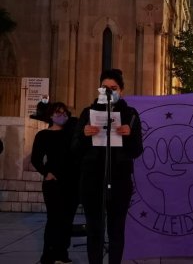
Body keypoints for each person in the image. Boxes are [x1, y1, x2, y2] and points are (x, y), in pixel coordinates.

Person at [72, 69, 143, 264]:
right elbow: (75, 150)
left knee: (116, 230)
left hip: (119, 180)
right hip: (92, 180)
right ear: (99, 90)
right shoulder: (88, 113)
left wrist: (128, 135)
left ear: (121, 90)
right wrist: (84, 136)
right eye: (105, 88)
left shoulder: (131, 115)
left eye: (114, 88)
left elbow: (137, 150)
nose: (109, 92)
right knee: (94, 229)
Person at [31, 102, 79, 264]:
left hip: (72, 184)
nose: (62, 115)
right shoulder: (43, 135)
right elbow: (35, 159)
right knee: (54, 219)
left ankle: (62, 254)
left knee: (67, 220)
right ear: (50, 115)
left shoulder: (71, 133)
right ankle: (48, 255)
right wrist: (47, 173)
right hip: (53, 185)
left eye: (64, 112)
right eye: (58, 112)